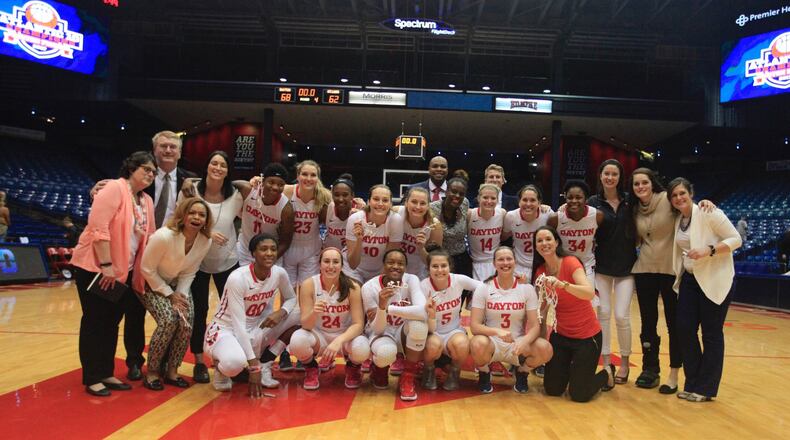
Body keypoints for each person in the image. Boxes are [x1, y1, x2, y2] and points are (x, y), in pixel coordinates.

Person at [70, 151, 157, 396]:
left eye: (153, 172)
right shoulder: (113, 189)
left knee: (111, 322)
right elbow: (99, 229)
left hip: (122, 273)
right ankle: (92, 376)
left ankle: (106, 372)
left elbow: (146, 237)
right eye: (145, 169)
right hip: (96, 268)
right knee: (94, 321)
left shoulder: (146, 201)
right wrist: (106, 265)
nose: (150, 174)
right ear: (131, 168)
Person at [630, 168, 716, 393]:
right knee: (648, 323)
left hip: (671, 270)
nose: (640, 187)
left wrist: (704, 202)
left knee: (674, 324)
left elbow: (688, 208)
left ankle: (675, 372)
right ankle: (650, 369)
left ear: (652, 183)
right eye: (636, 184)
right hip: (645, 269)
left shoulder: (667, 201)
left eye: (644, 182)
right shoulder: (634, 208)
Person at [668, 177, 741, 402]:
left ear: (691, 193)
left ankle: (706, 388)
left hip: (715, 279)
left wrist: (709, 250)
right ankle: (693, 383)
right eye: (674, 195)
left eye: (682, 193)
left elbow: (735, 239)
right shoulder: (679, 219)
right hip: (691, 279)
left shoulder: (709, 212)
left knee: (711, 333)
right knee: (684, 329)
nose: (679, 198)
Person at [179, 151, 247, 383]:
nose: (217, 167)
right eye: (213, 163)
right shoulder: (190, 191)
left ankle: (233, 360)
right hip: (196, 262)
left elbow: (253, 189)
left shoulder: (235, 195)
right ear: (206, 166)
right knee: (199, 312)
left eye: (222, 165)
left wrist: (244, 181)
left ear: (228, 171)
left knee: (234, 313)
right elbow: (180, 221)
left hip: (227, 261)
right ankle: (199, 360)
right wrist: (207, 233)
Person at [204, 234, 301, 395]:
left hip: (255, 327)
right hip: (226, 329)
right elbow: (238, 325)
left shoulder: (279, 273)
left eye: (273, 249)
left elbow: (291, 299)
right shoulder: (238, 278)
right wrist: (252, 366)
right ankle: (222, 370)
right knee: (233, 364)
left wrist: (281, 312)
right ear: (253, 254)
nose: (269, 253)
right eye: (263, 249)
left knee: (300, 315)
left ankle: (266, 363)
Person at [533, 226, 614, 402]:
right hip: (561, 336)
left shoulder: (570, 262)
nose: (544, 243)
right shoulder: (540, 272)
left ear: (556, 242)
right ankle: (574, 373)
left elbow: (589, 293)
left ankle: (606, 373)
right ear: (536, 246)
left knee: (579, 394)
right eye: (539, 241)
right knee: (553, 390)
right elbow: (543, 310)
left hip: (587, 337)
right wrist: (539, 341)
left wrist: (563, 285)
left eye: (548, 239)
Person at [139, 197, 213, 390]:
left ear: (206, 220)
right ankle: (153, 372)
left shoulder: (205, 240)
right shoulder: (163, 236)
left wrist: (179, 295)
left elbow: (190, 271)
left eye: (202, 214)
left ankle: (172, 371)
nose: (196, 217)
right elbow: (146, 269)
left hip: (176, 286)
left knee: (187, 320)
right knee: (168, 319)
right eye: (192, 213)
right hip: (151, 284)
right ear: (183, 215)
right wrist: (168, 294)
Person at [469, 246, 553, 394]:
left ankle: (522, 372)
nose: (505, 262)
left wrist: (524, 341)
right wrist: (496, 331)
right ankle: (484, 372)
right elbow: (475, 326)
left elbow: (535, 326)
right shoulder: (484, 288)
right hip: (493, 343)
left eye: (509, 258)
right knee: (476, 343)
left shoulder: (526, 288)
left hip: (517, 343)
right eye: (500, 259)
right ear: (494, 264)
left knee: (545, 349)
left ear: (515, 262)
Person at [288, 247, 370, 390]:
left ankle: (353, 366)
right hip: (319, 336)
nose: (331, 266)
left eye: (335, 262)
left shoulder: (353, 287)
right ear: (319, 264)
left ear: (341, 266)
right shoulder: (308, 285)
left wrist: (339, 340)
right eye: (326, 261)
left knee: (362, 348)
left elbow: (358, 324)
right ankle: (311, 367)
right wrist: (314, 312)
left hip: (344, 337)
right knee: (297, 341)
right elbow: (306, 325)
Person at [587, 159, 636, 385]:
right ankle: (606, 364)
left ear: (619, 177)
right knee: (603, 314)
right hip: (602, 268)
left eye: (614, 174)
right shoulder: (593, 203)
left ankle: (625, 363)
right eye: (606, 173)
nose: (610, 178)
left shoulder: (630, 201)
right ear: (600, 175)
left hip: (627, 268)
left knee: (621, 316)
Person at [361, 249, 428, 401]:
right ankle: (379, 369)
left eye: (400, 263)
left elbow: (422, 312)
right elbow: (377, 329)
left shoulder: (411, 280)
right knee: (385, 354)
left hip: (403, 332)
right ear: (383, 265)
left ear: (406, 267)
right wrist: (382, 305)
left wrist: (386, 309)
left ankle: (408, 377)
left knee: (419, 326)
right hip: (382, 333)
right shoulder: (369, 288)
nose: (395, 266)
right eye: (391, 262)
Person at [421, 248, 482, 390]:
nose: (440, 270)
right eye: (435, 266)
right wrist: (430, 314)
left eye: (443, 265)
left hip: (453, 331)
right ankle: (428, 370)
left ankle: (454, 372)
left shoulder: (458, 280)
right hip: (432, 331)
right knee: (432, 346)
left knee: (462, 345)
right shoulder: (423, 286)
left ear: (450, 267)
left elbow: (483, 287)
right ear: (428, 268)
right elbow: (426, 325)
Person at [282, 160, 332, 286]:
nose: (308, 178)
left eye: (313, 175)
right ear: (297, 176)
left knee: (308, 290)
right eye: (304, 174)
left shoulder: (325, 195)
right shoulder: (287, 191)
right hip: (288, 248)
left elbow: (344, 204)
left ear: (317, 178)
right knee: (288, 293)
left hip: (311, 249)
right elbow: (265, 189)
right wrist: (255, 180)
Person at [236, 163, 294, 265]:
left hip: (269, 255)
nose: (275, 187)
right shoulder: (248, 190)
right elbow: (227, 184)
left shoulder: (286, 209)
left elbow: (285, 243)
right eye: (271, 182)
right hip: (244, 251)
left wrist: (270, 258)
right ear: (262, 181)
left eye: (281, 184)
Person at [547, 179, 604, 283]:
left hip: (587, 264)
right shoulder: (555, 219)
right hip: (563, 264)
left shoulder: (597, 216)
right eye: (570, 197)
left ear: (586, 199)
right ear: (565, 198)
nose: (574, 201)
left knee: (588, 296)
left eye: (578, 197)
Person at [346, 184, 404, 283]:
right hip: (354, 270)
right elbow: (352, 264)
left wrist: (376, 283)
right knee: (356, 292)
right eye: (376, 199)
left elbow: (389, 258)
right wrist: (359, 240)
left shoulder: (396, 220)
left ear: (390, 204)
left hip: (381, 270)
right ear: (369, 201)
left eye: (385, 200)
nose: (380, 204)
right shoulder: (355, 219)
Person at [502, 184, 553, 281]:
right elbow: (503, 237)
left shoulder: (548, 214)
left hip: (542, 265)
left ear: (539, 202)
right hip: (519, 267)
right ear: (519, 202)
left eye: (533, 200)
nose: (528, 204)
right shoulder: (511, 217)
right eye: (525, 200)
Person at [396, 187, 443, 280]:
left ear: (428, 206)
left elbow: (434, 262)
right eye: (414, 202)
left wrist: (421, 248)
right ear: (406, 202)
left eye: (422, 203)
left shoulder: (434, 226)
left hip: (419, 275)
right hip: (395, 270)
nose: (418, 207)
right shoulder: (396, 212)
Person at [430, 177, 471, 278]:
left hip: (462, 261)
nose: (457, 196)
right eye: (454, 191)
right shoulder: (432, 209)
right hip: (441, 260)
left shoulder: (465, 203)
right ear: (446, 191)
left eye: (461, 193)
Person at [468, 183, 507, 281]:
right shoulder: (470, 214)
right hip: (475, 263)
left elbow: (506, 235)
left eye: (493, 198)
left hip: (496, 263)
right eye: (485, 197)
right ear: (478, 198)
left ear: (498, 200)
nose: (489, 201)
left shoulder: (502, 213)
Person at [323, 174, 356, 250]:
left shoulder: (360, 211)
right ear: (332, 195)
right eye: (336, 195)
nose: (341, 199)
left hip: (350, 257)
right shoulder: (328, 207)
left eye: (345, 195)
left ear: (352, 195)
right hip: (330, 254)